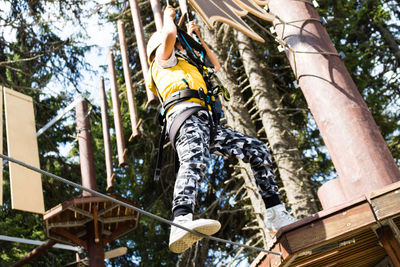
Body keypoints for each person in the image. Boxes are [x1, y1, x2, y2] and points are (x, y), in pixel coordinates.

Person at [146, 5, 297, 254]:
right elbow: (170, 37)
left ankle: (275, 213)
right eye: (179, 46)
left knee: (256, 149)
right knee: (194, 159)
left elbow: (213, 66)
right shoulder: (163, 61)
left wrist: (199, 40)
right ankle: (181, 220)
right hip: (185, 117)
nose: (181, 49)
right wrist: (167, 18)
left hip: (207, 123)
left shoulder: (188, 65)